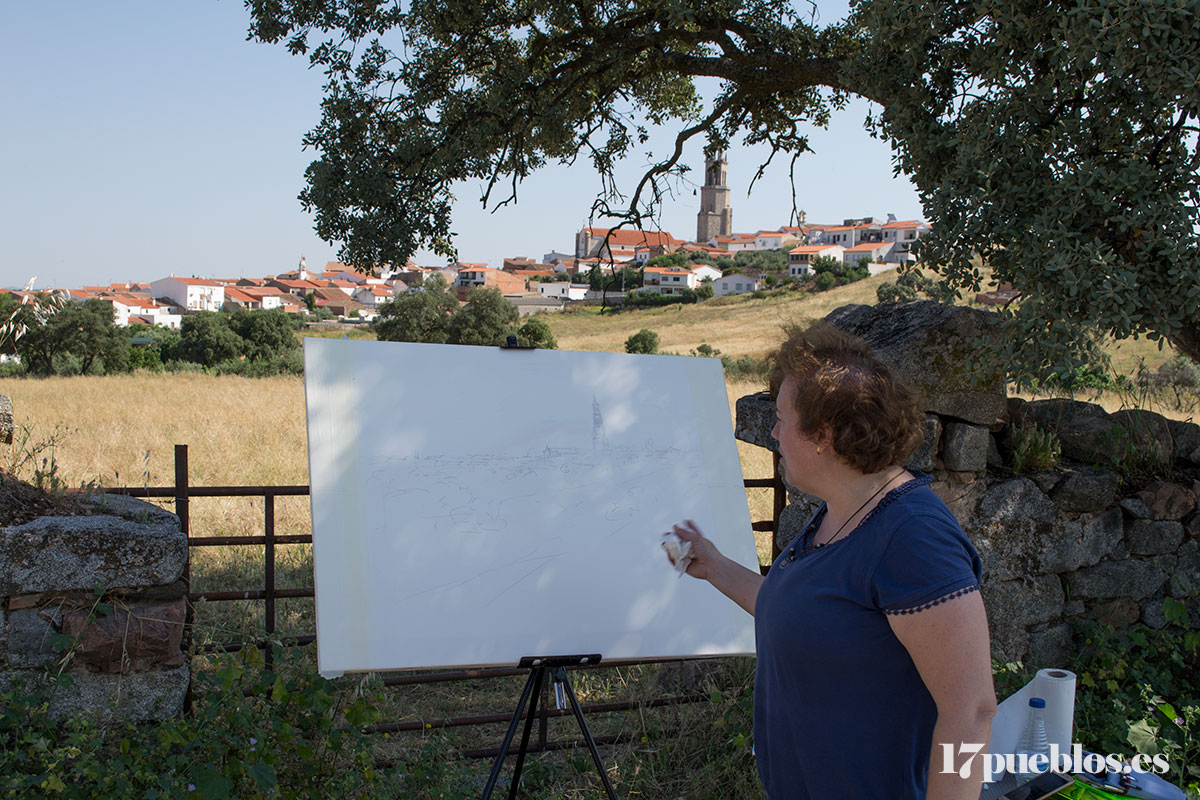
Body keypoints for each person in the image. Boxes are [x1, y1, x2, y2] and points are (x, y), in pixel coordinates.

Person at [668, 321, 996, 800]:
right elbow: (806, 614)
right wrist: (715, 566)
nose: (775, 433)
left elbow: (972, 711)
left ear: (824, 435)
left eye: (781, 419)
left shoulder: (914, 538)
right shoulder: (841, 510)